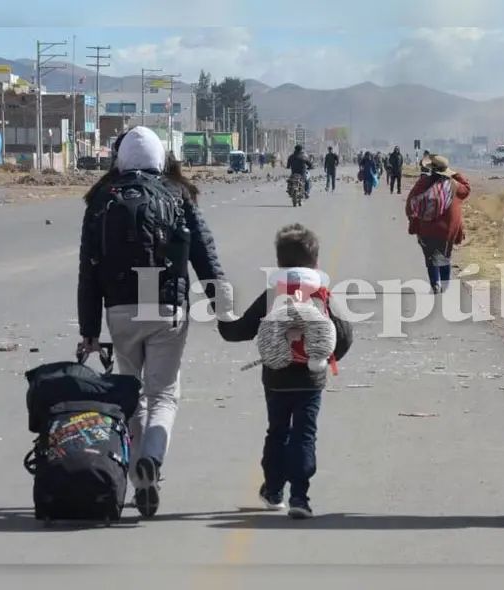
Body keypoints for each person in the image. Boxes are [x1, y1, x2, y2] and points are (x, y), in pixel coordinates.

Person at [77, 126, 227, 518]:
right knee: (164, 394)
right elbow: (204, 252)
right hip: (167, 310)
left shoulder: (101, 198)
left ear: (121, 159)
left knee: (133, 393)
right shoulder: (177, 194)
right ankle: (153, 462)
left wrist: (89, 330)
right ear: (161, 158)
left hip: (120, 311)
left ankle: (142, 479)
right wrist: (220, 304)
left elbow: (88, 270)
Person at [217, 223, 353, 519]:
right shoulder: (323, 294)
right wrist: (330, 357)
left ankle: (274, 490)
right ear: (316, 262)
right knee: (305, 433)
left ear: (278, 262)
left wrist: (222, 315)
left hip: (276, 376)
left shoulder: (273, 293)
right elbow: (344, 335)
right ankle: (300, 497)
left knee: (277, 431)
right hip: (311, 377)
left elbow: (238, 331)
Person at [406, 155, 471, 294]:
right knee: (444, 257)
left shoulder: (424, 182)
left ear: (432, 170)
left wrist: (413, 221)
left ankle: (435, 283)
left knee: (430, 257)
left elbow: (410, 202)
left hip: (426, 229)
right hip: (447, 231)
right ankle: (445, 284)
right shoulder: (455, 185)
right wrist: (455, 174)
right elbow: (467, 188)